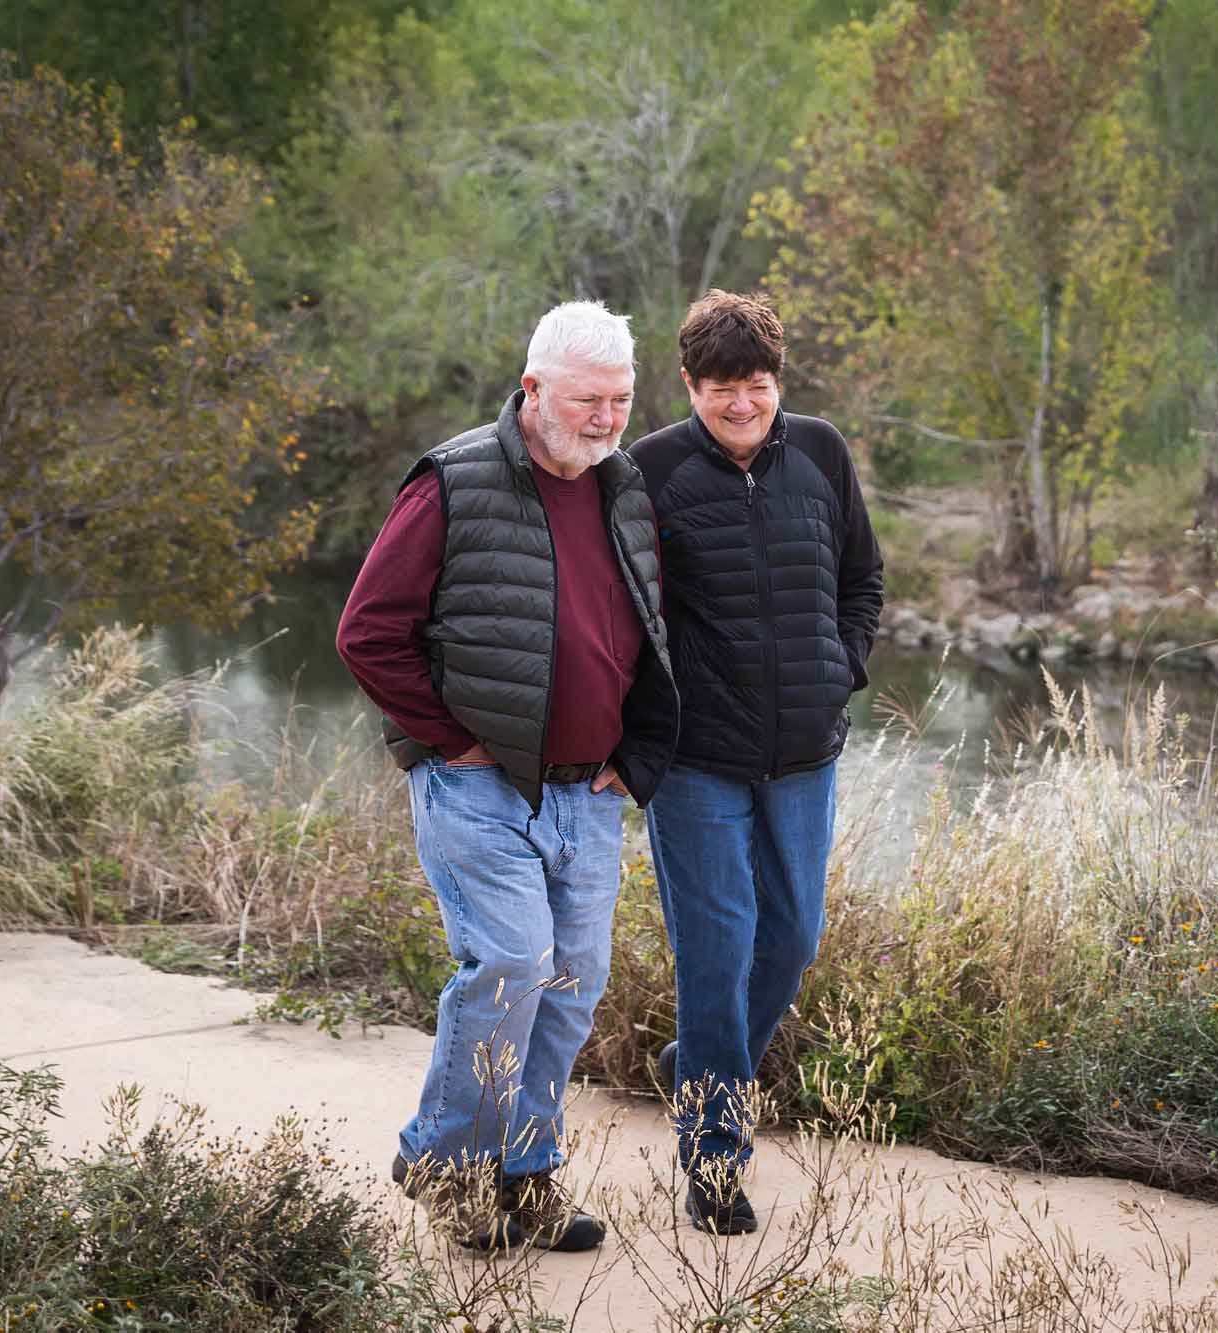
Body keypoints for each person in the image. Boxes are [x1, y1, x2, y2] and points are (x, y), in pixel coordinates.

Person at [335, 300, 677, 1252]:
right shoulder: (453, 481)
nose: (607, 419)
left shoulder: (625, 488)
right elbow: (367, 633)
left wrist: (638, 756)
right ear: (532, 390)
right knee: (511, 963)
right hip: (479, 791)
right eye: (586, 400)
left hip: (589, 793)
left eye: (621, 399)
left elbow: (653, 634)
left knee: (571, 986)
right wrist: (449, 740)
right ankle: (447, 1162)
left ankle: (524, 1172)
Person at [627, 290, 884, 1234]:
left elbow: (863, 578)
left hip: (806, 752)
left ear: (781, 381)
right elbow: (627, 615)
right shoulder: (646, 470)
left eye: (759, 385)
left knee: (794, 939)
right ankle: (715, 1162)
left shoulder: (820, 451)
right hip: (698, 761)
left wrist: (840, 667)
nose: (744, 405)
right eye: (723, 389)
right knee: (717, 954)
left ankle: (695, 1059)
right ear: (689, 385)